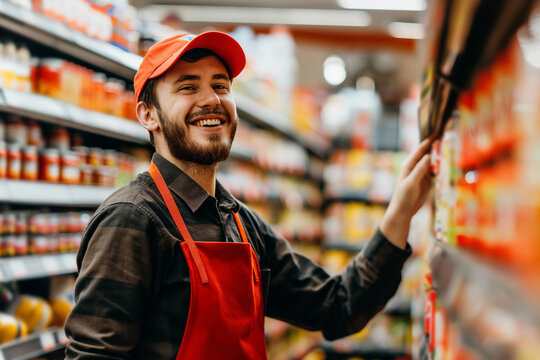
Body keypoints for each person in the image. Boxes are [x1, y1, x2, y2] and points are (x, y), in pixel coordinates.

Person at [64, 31, 432, 359]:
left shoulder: (238, 222)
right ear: (148, 115)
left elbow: (338, 306)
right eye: (188, 87)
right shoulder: (132, 218)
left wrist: (401, 210)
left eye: (221, 85)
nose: (211, 99)